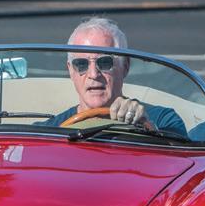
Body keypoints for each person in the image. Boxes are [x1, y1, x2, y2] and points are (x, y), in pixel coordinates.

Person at [40, 17, 186, 134]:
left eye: (104, 62)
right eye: (82, 64)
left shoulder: (164, 121)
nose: (93, 74)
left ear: (125, 67)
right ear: (71, 71)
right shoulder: (47, 132)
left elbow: (175, 155)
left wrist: (147, 126)